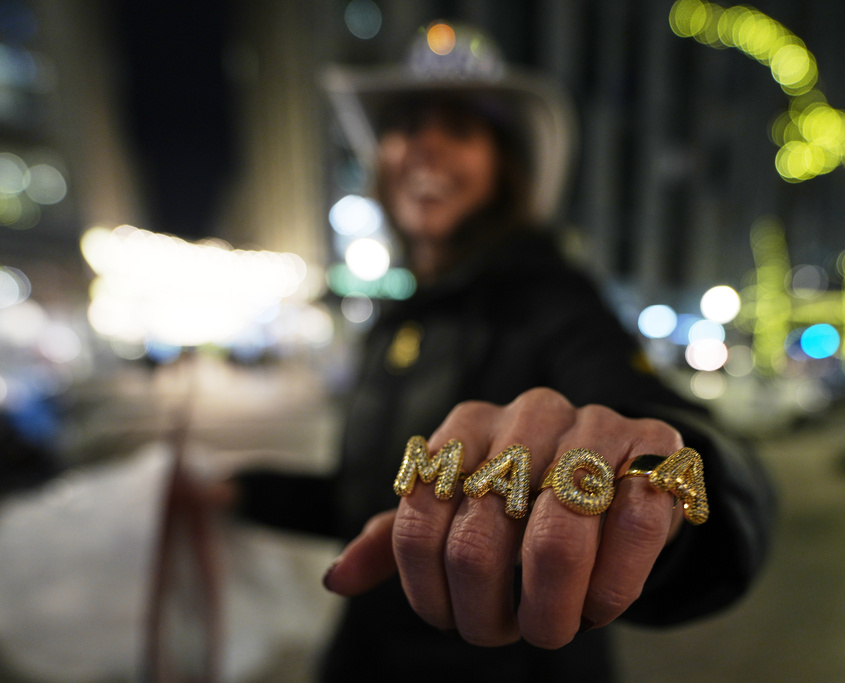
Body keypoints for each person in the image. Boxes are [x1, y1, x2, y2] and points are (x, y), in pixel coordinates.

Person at [231, 22, 774, 682]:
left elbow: (686, 445)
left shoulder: (550, 297)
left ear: (505, 165)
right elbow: (370, 503)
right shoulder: (397, 319)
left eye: (458, 131)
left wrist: (670, 499)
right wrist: (235, 490)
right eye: (405, 127)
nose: (423, 146)